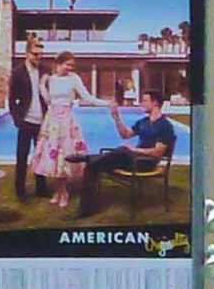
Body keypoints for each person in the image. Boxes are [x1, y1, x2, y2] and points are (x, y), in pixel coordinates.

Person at [73, 87, 181, 218]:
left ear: (155, 103)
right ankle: (84, 210)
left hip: (144, 163)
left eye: (145, 100)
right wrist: (116, 118)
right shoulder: (143, 122)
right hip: (132, 158)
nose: (141, 103)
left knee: (121, 151)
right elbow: (126, 135)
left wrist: (133, 149)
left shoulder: (164, 125)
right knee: (92, 166)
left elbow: (157, 153)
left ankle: (86, 158)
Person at [27, 50, 93, 212]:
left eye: (72, 65)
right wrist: (42, 85)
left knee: (64, 156)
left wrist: (106, 104)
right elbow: (48, 100)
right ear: (58, 64)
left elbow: (87, 97)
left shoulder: (74, 79)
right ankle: (59, 191)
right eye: (67, 65)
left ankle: (64, 193)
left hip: (67, 122)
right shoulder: (52, 79)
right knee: (54, 157)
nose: (70, 68)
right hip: (53, 121)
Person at [6, 34, 51, 203]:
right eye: (35, 54)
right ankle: (21, 191)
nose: (38, 57)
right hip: (26, 122)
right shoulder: (18, 72)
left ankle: (41, 189)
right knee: (22, 156)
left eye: (40, 54)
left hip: (42, 122)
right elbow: (12, 99)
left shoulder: (45, 70)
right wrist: (18, 120)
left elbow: (48, 94)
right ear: (27, 53)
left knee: (40, 156)